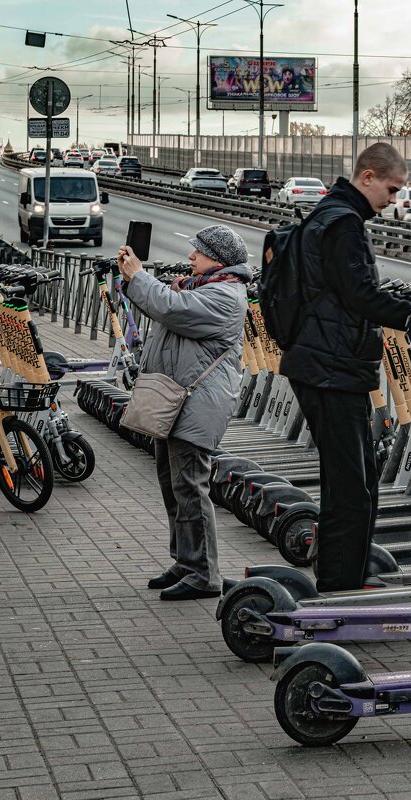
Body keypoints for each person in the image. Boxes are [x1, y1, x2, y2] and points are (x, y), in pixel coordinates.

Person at [277, 143, 411, 593]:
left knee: (357, 481)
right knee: (349, 486)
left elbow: (343, 292)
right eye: (391, 189)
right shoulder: (344, 223)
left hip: (327, 362)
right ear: (369, 176)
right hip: (329, 366)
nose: (392, 200)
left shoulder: (330, 215)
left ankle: (348, 578)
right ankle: (339, 586)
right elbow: (359, 295)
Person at [118, 225, 252, 600]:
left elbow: (172, 310)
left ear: (219, 259)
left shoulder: (225, 296)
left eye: (198, 251)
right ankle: (187, 560)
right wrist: (141, 284)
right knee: (172, 484)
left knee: (191, 488)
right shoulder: (203, 288)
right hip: (176, 402)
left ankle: (204, 573)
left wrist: (140, 278)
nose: (191, 257)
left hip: (198, 405)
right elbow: (168, 308)